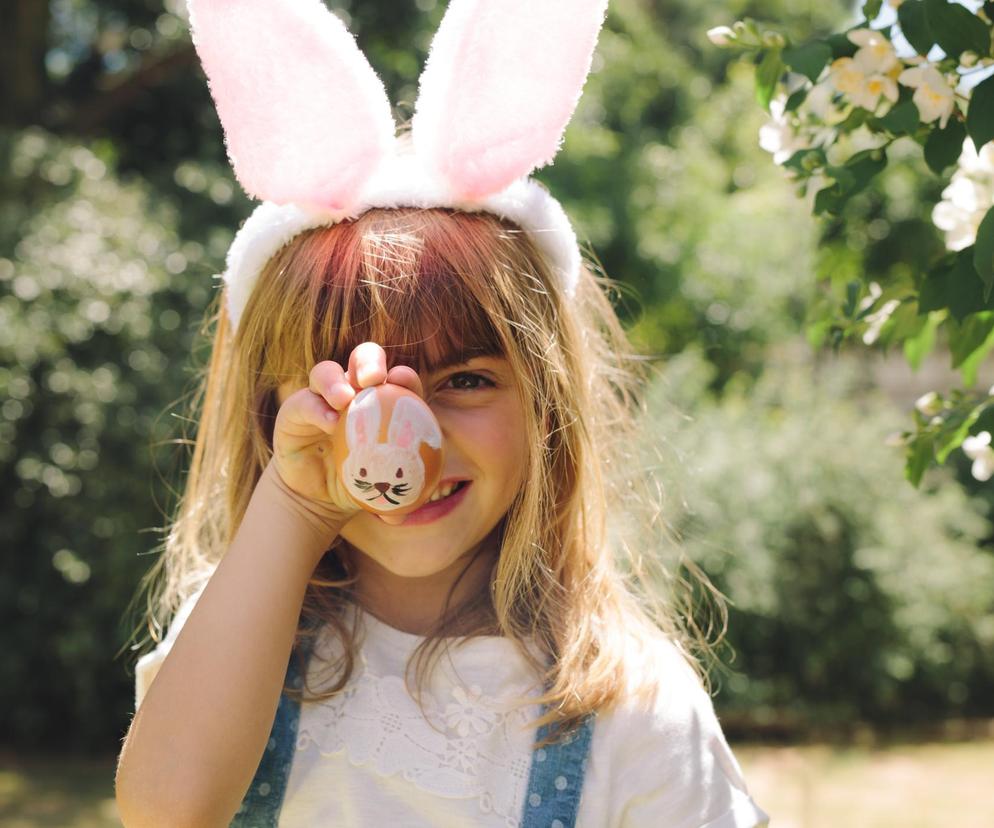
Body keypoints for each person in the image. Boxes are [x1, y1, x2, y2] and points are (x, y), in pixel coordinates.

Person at [115, 0, 770, 826]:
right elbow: (169, 811)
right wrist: (295, 502)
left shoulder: (630, 705)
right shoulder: (243, 642)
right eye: (352, 390)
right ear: (272, 413)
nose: (406, 439)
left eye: (464, 380)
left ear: (547, 404)